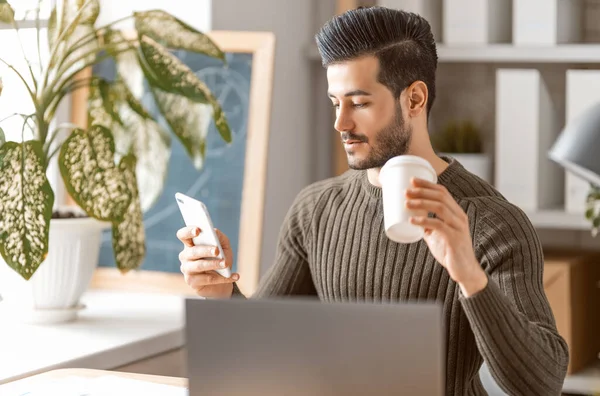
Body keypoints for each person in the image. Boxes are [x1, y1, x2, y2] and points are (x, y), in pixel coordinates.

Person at [176, 6, 568, 396]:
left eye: (359, 103)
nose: (340, 123)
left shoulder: (492, 223)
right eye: (335, 102)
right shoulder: (315, 210)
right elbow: (262, 347)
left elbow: (542, 384)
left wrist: (468, 273)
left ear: (414, 99)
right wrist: (221, 292)